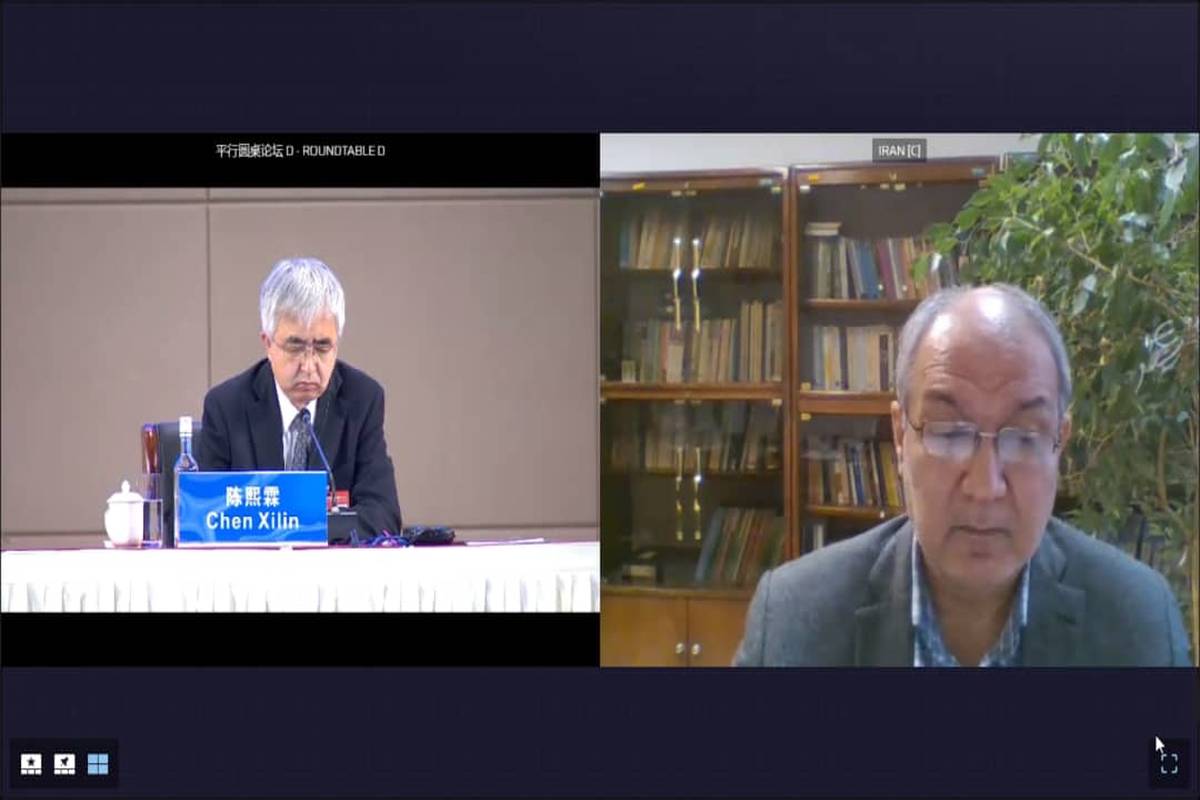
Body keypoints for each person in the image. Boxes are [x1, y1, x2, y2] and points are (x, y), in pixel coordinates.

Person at [735, 284, 1190, 666]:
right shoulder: (793, 622)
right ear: (900, 436)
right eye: (950, 434)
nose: (985, 487)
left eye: (1024, 437)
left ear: (1060, 442)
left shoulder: (1140, 621)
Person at [197, 257, 403, 538]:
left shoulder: (362, 400)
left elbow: (383, 515)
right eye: (295, 347)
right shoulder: (226, 407)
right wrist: (309, 523)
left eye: (322, 347)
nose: (308, 365)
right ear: (268, 343)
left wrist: (295, 527)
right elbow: (207, 517)